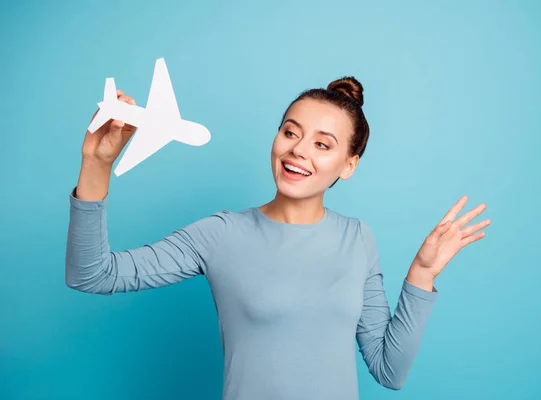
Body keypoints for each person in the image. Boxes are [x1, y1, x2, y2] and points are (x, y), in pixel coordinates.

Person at [65, 76, 491, 400]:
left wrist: (421, 274)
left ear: (348, 165)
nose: (299, 150)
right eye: (291, 132)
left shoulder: (357, 239)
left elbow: (389, 370)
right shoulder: (221, 234)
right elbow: (92, 274)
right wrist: (96, 163)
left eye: (323, 144)